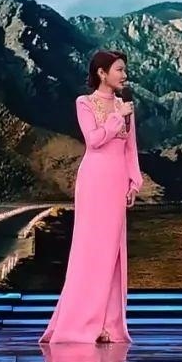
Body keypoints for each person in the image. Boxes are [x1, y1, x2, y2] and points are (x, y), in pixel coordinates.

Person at [40, 49, 143, 344]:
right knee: (90, 250)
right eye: (119, 70)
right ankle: (82, 322)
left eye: (124, 70)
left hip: (117, 181)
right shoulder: (85, 103)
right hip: (94, 181)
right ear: (102, 73)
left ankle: (108, 324)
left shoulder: (125, 106)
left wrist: (134, 183)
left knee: (113, 252)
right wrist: (116, 118)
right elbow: (94, 140)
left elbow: (130, 149)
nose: (124, 75)